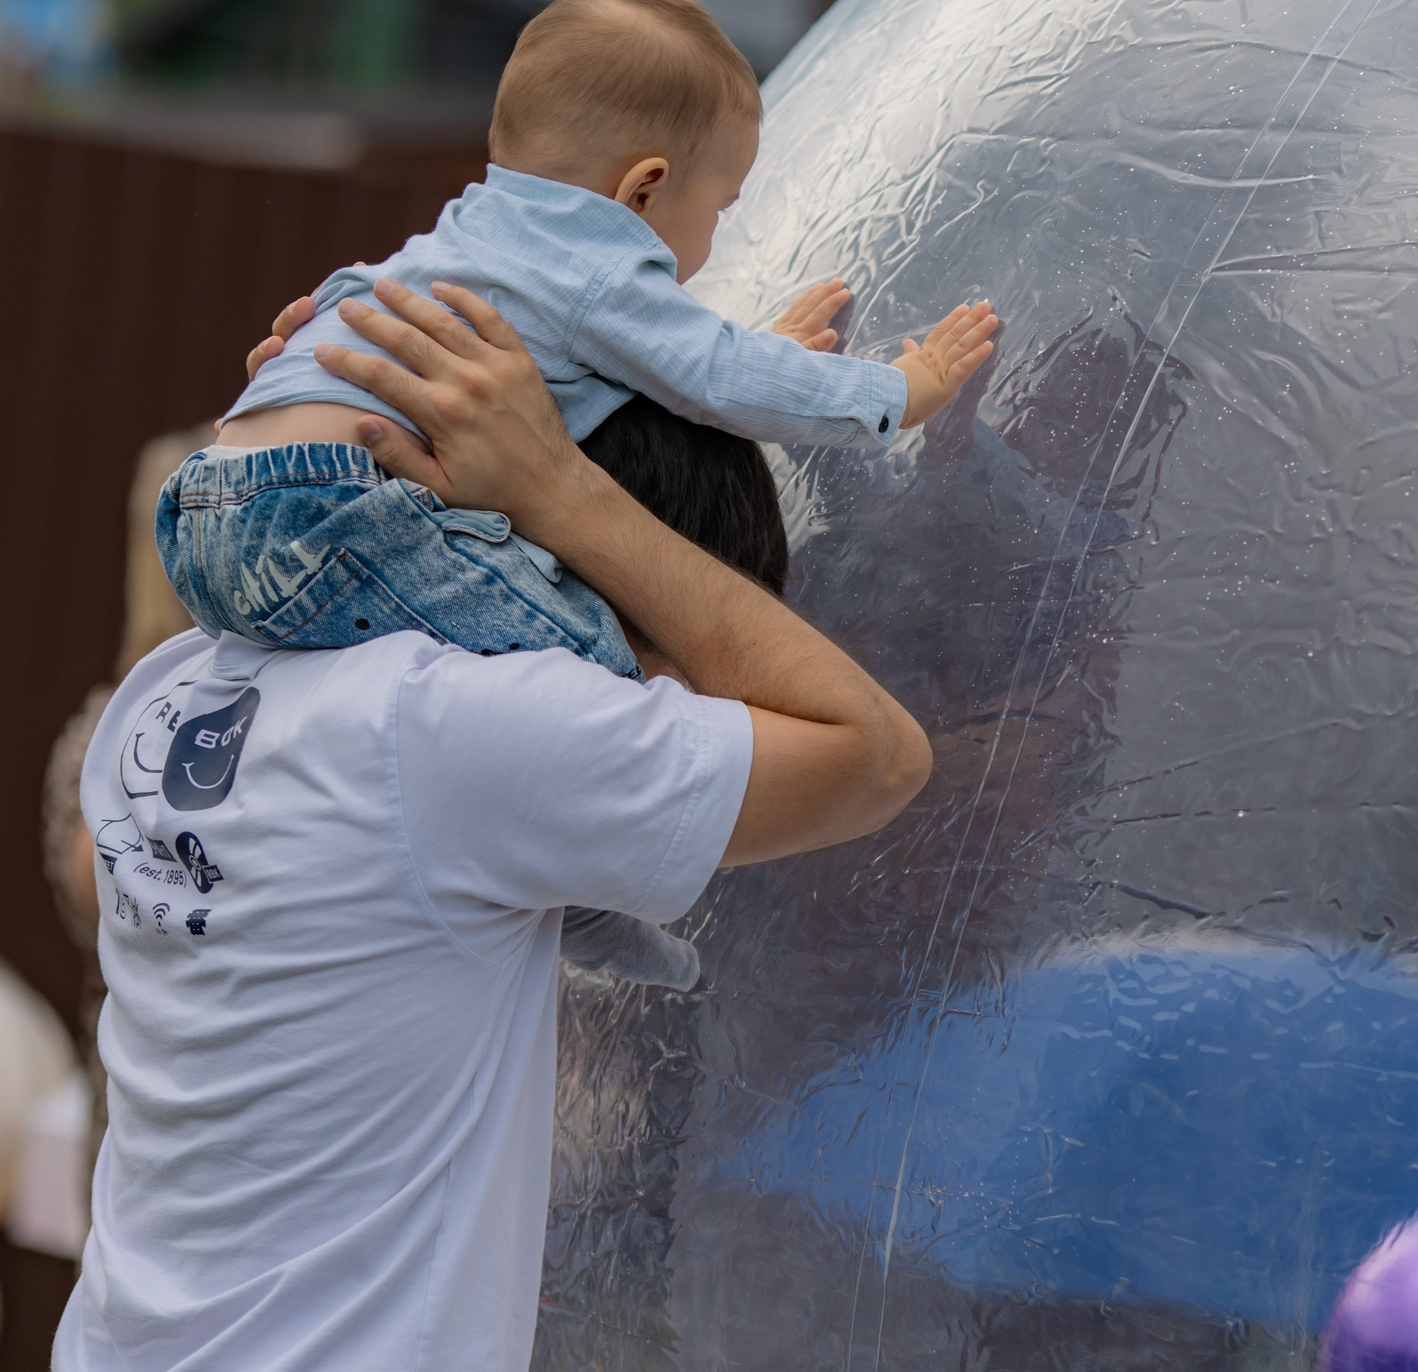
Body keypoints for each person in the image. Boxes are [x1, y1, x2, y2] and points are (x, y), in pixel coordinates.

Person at [56, 278, 932, 1372]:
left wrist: (681, 397)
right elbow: (875, 755)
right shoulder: (452, 733)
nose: (679, 702)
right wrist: (568, 493)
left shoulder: (176, 686)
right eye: (671, 665)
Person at [154, 0, 996, 985]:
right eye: (719, 207)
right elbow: (708, 367)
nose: (712, 241)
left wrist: (736, 364)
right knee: (586, 655)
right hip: (326, 511)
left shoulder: (474, 234)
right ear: (642, 188)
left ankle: (573, 880)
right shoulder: (599, 263)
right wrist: (896, 390)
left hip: (210, 493)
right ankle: (590, 882)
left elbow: (672, 368)